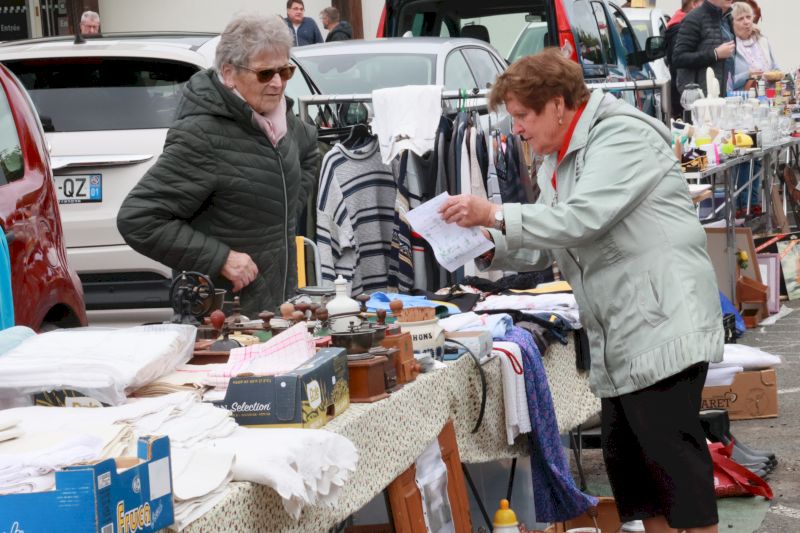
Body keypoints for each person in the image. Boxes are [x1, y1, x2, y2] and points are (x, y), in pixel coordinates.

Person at [440, 49, 723, 533]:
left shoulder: (621, 136)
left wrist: (495, 213)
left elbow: (582, 219)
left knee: (677, 477)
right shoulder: (561, 156)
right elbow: (550, 238)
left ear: (557, 104)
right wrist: (486, 243)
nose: (517, 130)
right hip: (622, 335)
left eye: (523, 116)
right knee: (640, 483)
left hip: (660, 324)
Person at [117, 14, 319, 317]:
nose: (278, 83)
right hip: (220, 319)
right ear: (229, 73)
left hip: (275, 311)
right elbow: (138, 219)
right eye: (265, 73)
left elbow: (309, 151)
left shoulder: (282, 120)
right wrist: (221, 258)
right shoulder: (202, 134)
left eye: (285, 70)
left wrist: (284, 212)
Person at [730, 1, 777, 215]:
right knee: (743, 157)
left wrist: (773, 75)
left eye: (748, 17)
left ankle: (754, 203)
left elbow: (775, 68)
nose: (746, 22)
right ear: (732, 23)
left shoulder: (763, 41)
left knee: (759, 156)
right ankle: (741, 206)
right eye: (740, 18)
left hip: (764, 106)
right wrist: (748, 74)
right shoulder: (730, 47)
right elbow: (729, 81)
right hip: (741, 108)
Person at [673, 0, 735, 98]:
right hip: (701, 98)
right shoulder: (694, 18)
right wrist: (715, 54)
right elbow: (678, 58)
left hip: (725, 95)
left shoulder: (728, 18)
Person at [665, 0, 704, 119]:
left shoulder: (681, 25)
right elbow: (680, 62)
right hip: (688, 97)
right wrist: (714, 54)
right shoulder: (681, 29)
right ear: (694, 4)